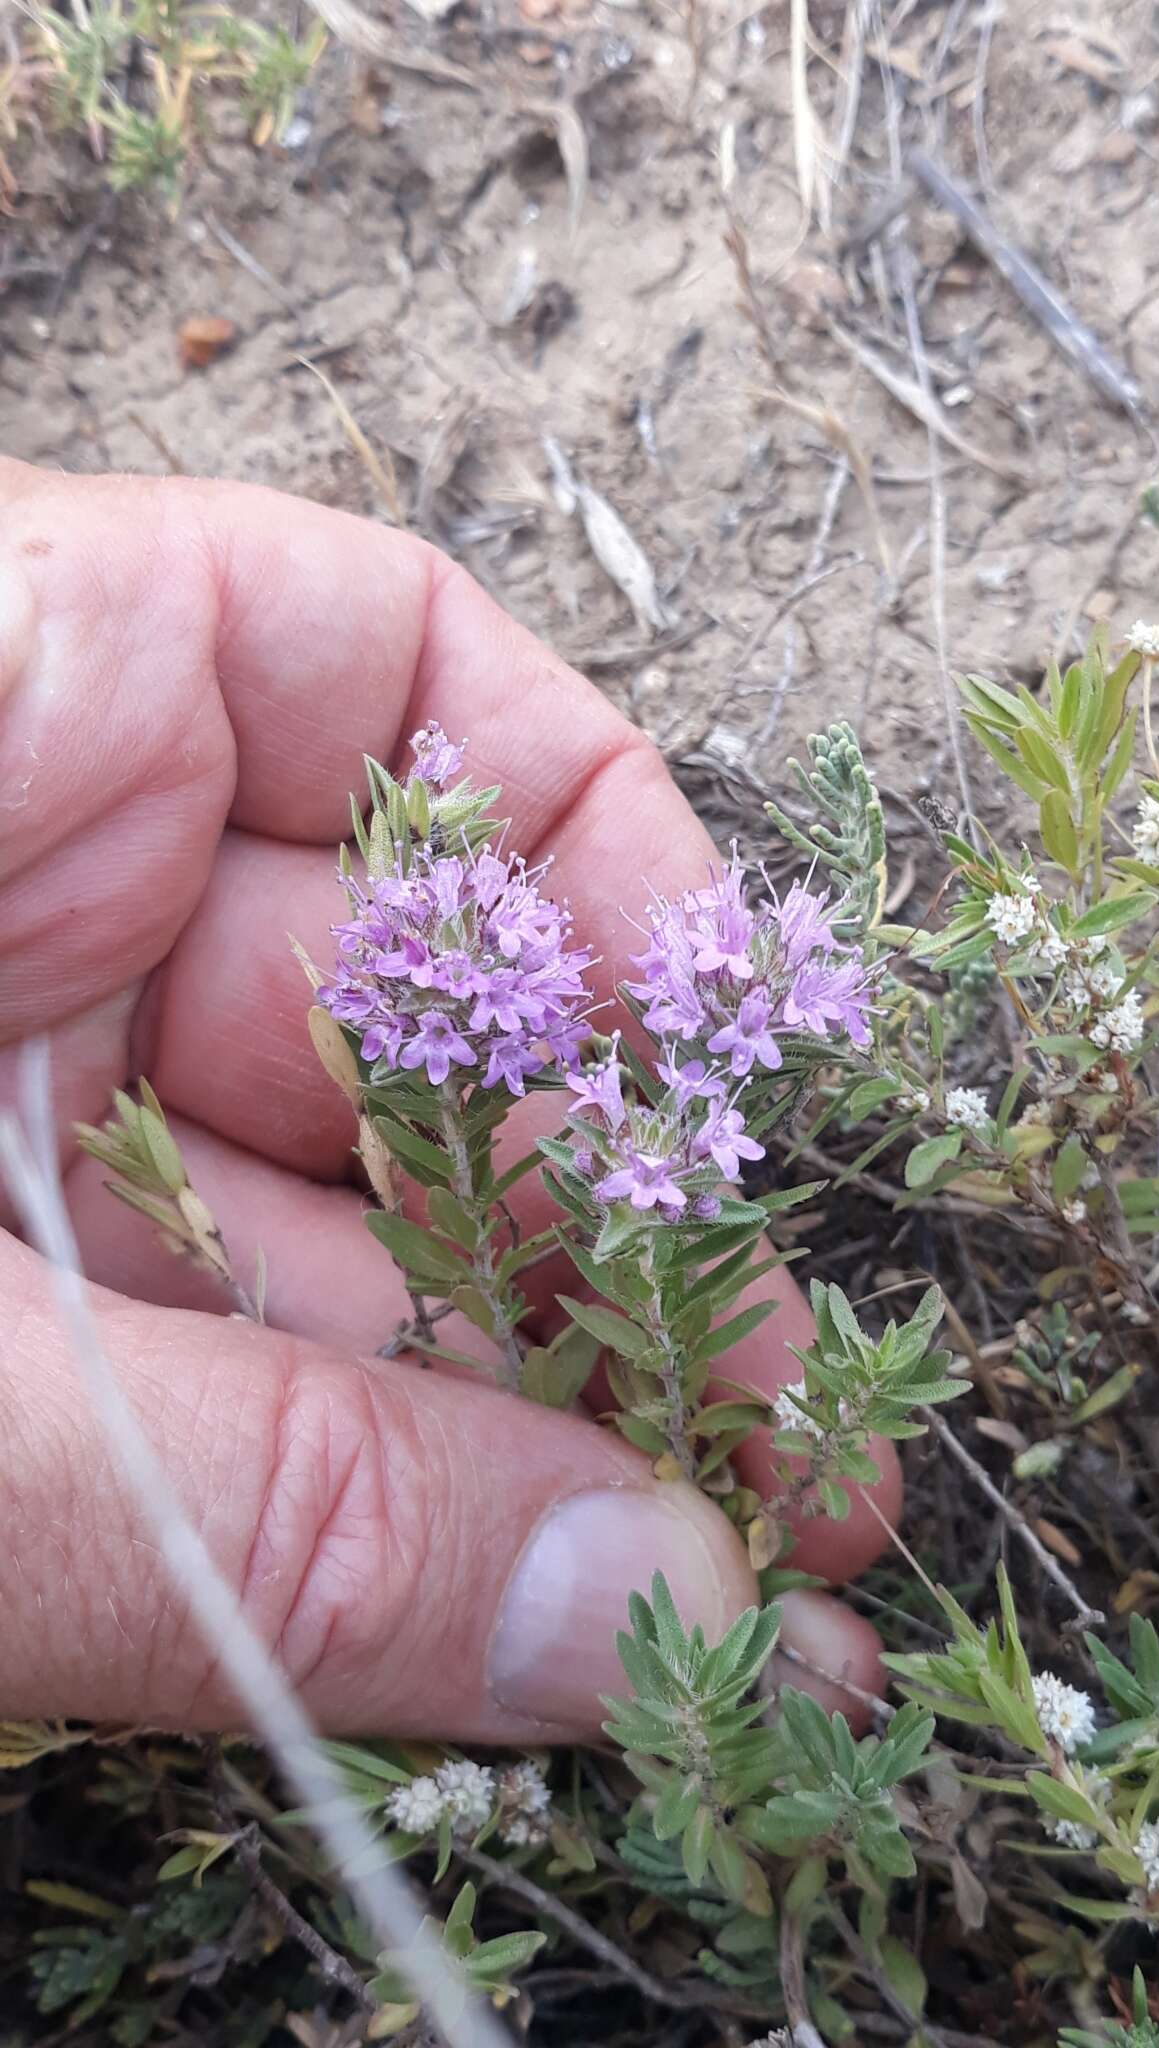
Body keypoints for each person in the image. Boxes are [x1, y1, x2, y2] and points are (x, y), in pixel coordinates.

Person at [0, 460, 893, 1741]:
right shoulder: (424, 987)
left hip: (520, 1069)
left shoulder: (633, 1077)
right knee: (484, 1286)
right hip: (457, 1059)